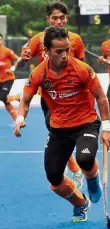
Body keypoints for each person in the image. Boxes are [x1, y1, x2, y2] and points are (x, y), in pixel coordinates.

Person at [14, 27, 110, 222]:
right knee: (54, 178)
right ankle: (80, 203)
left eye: (67, 49)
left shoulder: (82, 69)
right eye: (59, 51)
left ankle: (92, 181)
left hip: (86, 123)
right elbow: (25, 101)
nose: (65, 55)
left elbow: (101, 97)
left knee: (84, 159)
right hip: (59, 128)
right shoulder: (39, 74)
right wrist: (19, 118)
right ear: (47, 51)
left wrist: (106, 128)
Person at [20, 1, 86, 188]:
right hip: (50, 98)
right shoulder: (39, 39)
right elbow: (25, 58)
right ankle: (74, 169)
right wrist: (23, 59)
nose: (58, 21)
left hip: (73, 96)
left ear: (66, 19)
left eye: (62, 17)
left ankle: (77, 169)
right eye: (54, 18)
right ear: (48, 19)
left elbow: (83, 67)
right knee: (57, 133)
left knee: (69, 134)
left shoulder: (76, 39)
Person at [0, 33, 23, 122]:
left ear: (2, 40)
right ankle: (17, 119)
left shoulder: (7, 51)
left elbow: (19, 59)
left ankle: (17, 97)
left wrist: (12, 68)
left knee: (2, 97)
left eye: (0, 39)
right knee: (5, 100)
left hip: (8, 79)